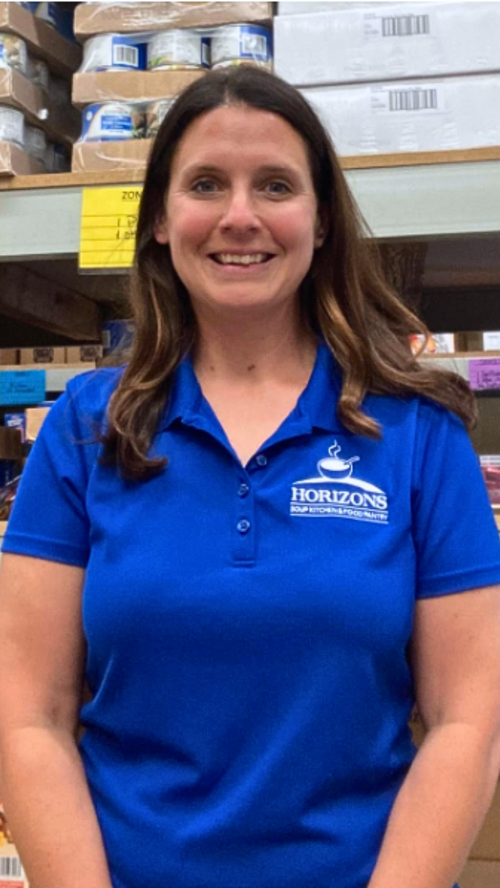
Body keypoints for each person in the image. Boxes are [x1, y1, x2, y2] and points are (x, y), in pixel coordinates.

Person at [0, 66, 500, 888]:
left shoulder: (418, 433)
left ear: (322, 219)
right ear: (160, 219)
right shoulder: (87, 431)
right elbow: (31, 718)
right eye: (206, 184)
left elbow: (466, 722)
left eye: (275, 185)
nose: (240, 216)